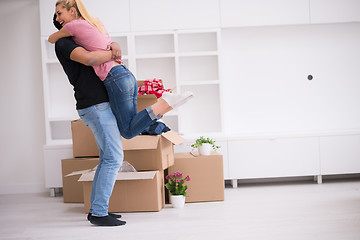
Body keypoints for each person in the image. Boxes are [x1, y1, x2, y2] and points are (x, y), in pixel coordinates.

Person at [49, 0, 194, 140]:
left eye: (59, 13)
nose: (58, 18)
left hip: (114, 78)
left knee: (127, 131)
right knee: (132, 124)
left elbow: (51, 38)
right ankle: (167, 106)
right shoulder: (95, 22)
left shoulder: (72, 26)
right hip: (125, 74)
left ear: (72, 11)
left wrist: (64, 31)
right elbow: (107, 43)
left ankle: (164, 104)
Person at [52, 14, 126, 227]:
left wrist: (114, 44)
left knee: (107, 158)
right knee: (114, 158)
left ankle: (98, 210)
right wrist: (114, 51)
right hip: (94, 105)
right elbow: (90, 59)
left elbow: (99, 48)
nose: (62, 17)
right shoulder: (63, 43)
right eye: (58, 15)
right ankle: (99, 213)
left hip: (98, 105)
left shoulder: (82, 39)